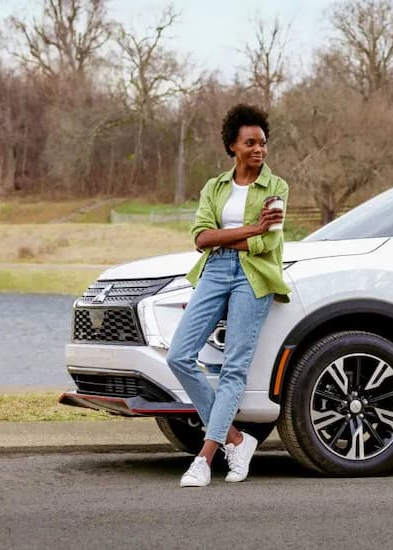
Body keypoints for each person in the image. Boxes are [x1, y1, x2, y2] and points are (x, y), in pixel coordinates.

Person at [166, 104, 290, 487]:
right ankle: (236, 439)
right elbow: (201, 238)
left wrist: (237, 237)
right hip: (215, 272)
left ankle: (204, 458)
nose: (259, 150)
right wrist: (251, 229)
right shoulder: (214, 187)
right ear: (233, 147)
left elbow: (268, 244)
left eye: (263, 143)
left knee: (235, 367)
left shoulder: (276, 187)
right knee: (179, 355)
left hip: (254, 278)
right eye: (250, 143)